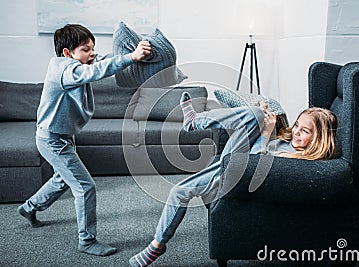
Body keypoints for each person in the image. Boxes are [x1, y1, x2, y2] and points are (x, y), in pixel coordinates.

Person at [128, 92, 338, 266]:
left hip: (240, 176)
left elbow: (256, 166)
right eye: (297, 125)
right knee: (255, 113)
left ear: (319, 138)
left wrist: (265, 134)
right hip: (231, 166)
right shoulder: (289, 139)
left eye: (305, 131)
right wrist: (265, 111)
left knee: (254, 116)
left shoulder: (300, 161)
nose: (296, 132)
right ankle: (157, 245)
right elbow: (269, 123)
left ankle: (195, 121)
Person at [17, 24, 151, 256]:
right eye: (86, 50)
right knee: (85, 186)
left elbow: (102, 60)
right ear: (68, 53)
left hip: (62, 136)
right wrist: (131, 57)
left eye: (92, 49)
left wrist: (132, 57)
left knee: (62, 180)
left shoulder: (75, 62)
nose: (91, 54)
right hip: (52, 140)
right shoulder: (66, 71)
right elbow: (94, 72)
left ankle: (29, 207)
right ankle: (86, 241)